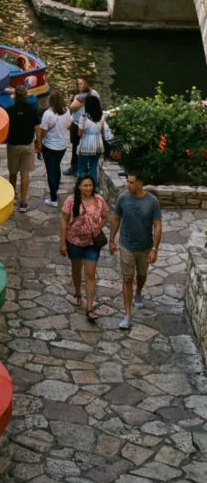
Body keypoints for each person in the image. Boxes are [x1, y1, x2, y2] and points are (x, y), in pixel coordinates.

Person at [110, 170, 162, 330]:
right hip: (126, 245)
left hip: (145, 247)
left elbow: (157, 225)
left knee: (141, 274)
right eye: (127, 181)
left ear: (140, 184)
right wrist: (111, 241)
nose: (128, 185)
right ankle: (127, 315)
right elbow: (116, 218)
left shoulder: (152, 202)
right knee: (127, 278)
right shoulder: (123, 198)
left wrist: (155, 249)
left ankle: (138, 291)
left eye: (131, 182)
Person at [60, 176, 109, 322]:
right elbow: (64, 220)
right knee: (76, 269)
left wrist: (98, 227)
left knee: (90, 274)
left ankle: (89, 308)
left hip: (92, 243)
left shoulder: (99, 200)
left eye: (90, 185)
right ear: (79, 187)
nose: (88, 188)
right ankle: (77, 292)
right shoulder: (71, 201)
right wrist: (62, 243)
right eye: (85, 185)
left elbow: (105, 216)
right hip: (74, 241)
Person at [6, 85, 41, 213]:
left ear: (14, 96)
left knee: (13, 172)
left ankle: (12, 198)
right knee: (24, 173)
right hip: (27, 145)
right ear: (26, 96)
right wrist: (38, 143)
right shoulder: (32, 110)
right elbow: (37, 128)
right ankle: (23, 202)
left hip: (13, 145)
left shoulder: (9, 110)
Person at [39, 89, 71, 205]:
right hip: (62, 146)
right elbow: (68, 126)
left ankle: (53, 199)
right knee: (57, 167)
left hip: (50, 147)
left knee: (51, 171)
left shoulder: (48, 114)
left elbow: (43, 132)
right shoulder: (67, 111)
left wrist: (39, 143)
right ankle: (56, 188)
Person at [76, 94, 111, 185]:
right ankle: (93, 187)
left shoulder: (83, 117)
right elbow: (102, 130)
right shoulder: (102, 116)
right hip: (98, 144)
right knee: (93, 167)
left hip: (86, 144)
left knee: (81, 168)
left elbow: (80, 133)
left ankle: (81, 186)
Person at [66, 78, 99, 175]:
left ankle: (78, 168)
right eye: (78, 84)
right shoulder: (82, 95)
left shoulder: (86, 95)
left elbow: (72, 107)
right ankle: (75, 167)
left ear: (86, 84)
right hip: (77, 123)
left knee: (81, 146)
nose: (80, 86)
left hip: (84, 124)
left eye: (81, 83)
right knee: (76, 146)